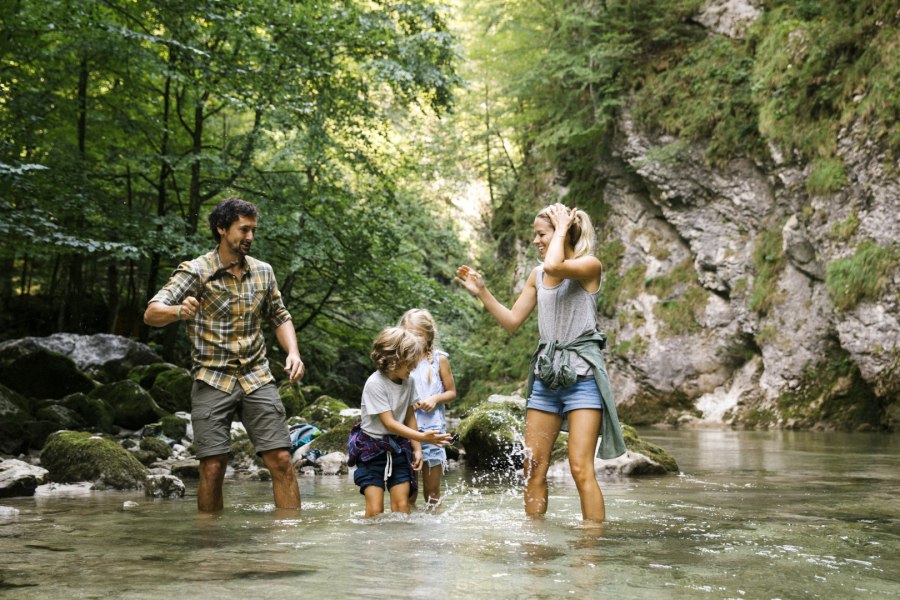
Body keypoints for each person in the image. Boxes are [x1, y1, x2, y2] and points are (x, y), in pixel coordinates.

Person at [455, 203, 625, 524]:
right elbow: (512, 321)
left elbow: (557, 266)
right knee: (533, 467)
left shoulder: (589, 266)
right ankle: (536, 546)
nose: (536, 240)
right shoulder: (537, 274)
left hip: (582, 380)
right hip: (546, 379)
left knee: (579, 468)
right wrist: (483, 292)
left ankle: (592, 551)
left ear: (564, 232)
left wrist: (561, 229)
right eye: (536, 234)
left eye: (541, 234)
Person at [144, 197, 304, 513]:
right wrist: (178, 311)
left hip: (257, 376)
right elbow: (151, 313)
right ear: (221, 228)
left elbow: (280, 316)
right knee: (213, 467)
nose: (250, 237)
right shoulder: (196, 271)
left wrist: (294, 352)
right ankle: (210, 549)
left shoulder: (263, 272)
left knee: (283, 460)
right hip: (211, 378)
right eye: (244, 229)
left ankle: (288, 542)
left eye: (253, 230)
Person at [349, 326, 452, 517]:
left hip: (398, 447)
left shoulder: (409, 381)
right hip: (372, 450)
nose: (414, 367)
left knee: (402, 506)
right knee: (375, 509)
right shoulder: (375, 384)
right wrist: (423, 437)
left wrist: (417, 448)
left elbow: (409, 415)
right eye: (411, 363)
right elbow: (389, 423)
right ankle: (370, 545)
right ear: (394, 361)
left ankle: (401, 544)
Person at [398, 308, 457, 508]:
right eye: (408, 333)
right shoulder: (401, 360)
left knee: (432, 492)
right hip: (407, 432)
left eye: (417, 334)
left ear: (428, 335)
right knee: (409, 492)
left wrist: (435, 399)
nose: (412, 338)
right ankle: (411, 533)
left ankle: (434, 535)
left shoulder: (439, 360)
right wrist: (407, 401)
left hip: (433, 432)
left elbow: (451, 393)